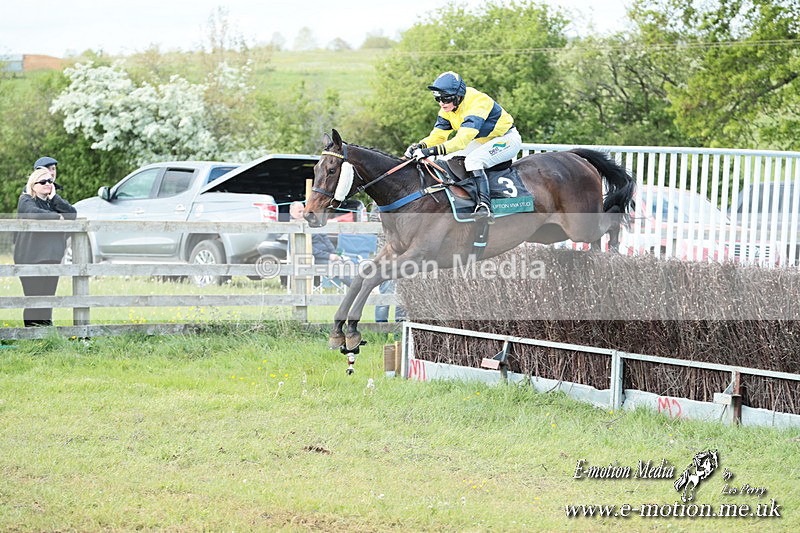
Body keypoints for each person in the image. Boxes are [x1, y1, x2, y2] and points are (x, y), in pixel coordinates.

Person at [405, 71, 522, 223]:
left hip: (506, 139)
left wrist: (428, 151)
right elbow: (438, 137)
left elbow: (461, 141)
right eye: (438, 98)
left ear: (458, 95)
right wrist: (420, 145)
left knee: (473, 161)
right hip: (482, 140)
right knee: (445, 159)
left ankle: (485, 206)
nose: (441, 103)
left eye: (445, 98)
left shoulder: (478, 102)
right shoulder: (447, 109)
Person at [14, 166, 77, 327]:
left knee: (48, 296)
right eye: (43, 181)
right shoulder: (26, 199)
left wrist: (55, 198)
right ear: (33, 185)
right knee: (33, 297)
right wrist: (58, 218)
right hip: (30, 257)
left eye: (50, 181)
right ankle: (31, 333)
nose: (47, 184)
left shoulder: (53, 202)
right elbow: (33, 213)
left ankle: (46, 332)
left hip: (52, 256)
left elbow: (72, 213)